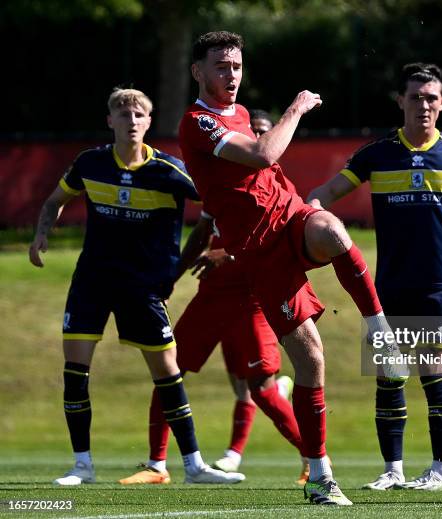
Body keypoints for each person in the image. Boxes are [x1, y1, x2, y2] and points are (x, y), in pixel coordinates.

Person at [178, 31, 402, 506]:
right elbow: (264, 154)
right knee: (312, 360)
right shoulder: (197, 123)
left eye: (236, 66)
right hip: (260, 254)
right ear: (197, 72)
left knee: (335, 232)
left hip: (292, 218)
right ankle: (320, 475)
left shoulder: (237, 113)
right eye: (220, 66)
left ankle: (379, 331)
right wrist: (296, 108)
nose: (231, 75)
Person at [29, 88, 244, 486]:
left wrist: (224, 247)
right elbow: (54, 200)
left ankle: (194, 465)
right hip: (92, 282)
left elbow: (225, 202)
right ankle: (82, 466)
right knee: (75, 371)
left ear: (149, 122)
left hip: (145, 289)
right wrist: (42, 234)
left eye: (139, 114)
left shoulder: (171, 171)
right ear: (109, 120)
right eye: (123, 113)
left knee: (168, 373)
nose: (131, 120)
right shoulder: (90, 163)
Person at [308, 63, 442, 492]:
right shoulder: (377, 154)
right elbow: (324, 194)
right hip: (389, 286)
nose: (424, 105)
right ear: (401, 101)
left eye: (432, 97)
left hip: (441, 286)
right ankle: (392, 470)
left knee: (434, 370)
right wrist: (312, 219)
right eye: (415, 97)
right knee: (389, 375)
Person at [119, 111, 310, 486]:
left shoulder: (279, 187)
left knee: (262, 388)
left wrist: (228, 255)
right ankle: (156, 465)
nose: (254, 138)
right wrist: (170, 279)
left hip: (255, 295)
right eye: (250, 132)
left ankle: (314, 458)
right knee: (169, 368)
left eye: (261, 134)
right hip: (215, 293)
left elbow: (279, 241)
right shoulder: (221, 181)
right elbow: (202, 234)